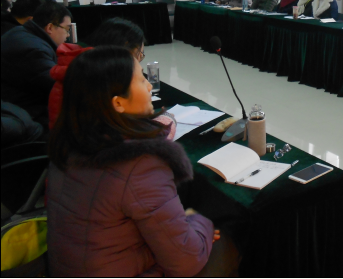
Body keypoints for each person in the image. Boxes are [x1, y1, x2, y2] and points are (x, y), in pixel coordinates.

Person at [47, 47, 220, 277]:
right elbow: (187, 260)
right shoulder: (140, 164)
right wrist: (200, 221)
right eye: (141, 79)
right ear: (118, 103)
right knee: (225, 243)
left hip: (68, 268)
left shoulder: (69, 142)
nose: (149, 86)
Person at [47, 17, 158, 131]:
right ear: (124, 48)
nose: (138, 61)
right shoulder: (92, 77)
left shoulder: (86, 65)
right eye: (139, 54)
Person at [1, 2, 72, 125]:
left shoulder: (20, 31)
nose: (68, 34)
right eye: (67, 29)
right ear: (50, 28)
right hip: (26, 113)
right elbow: (56, 86)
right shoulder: (35, 50)